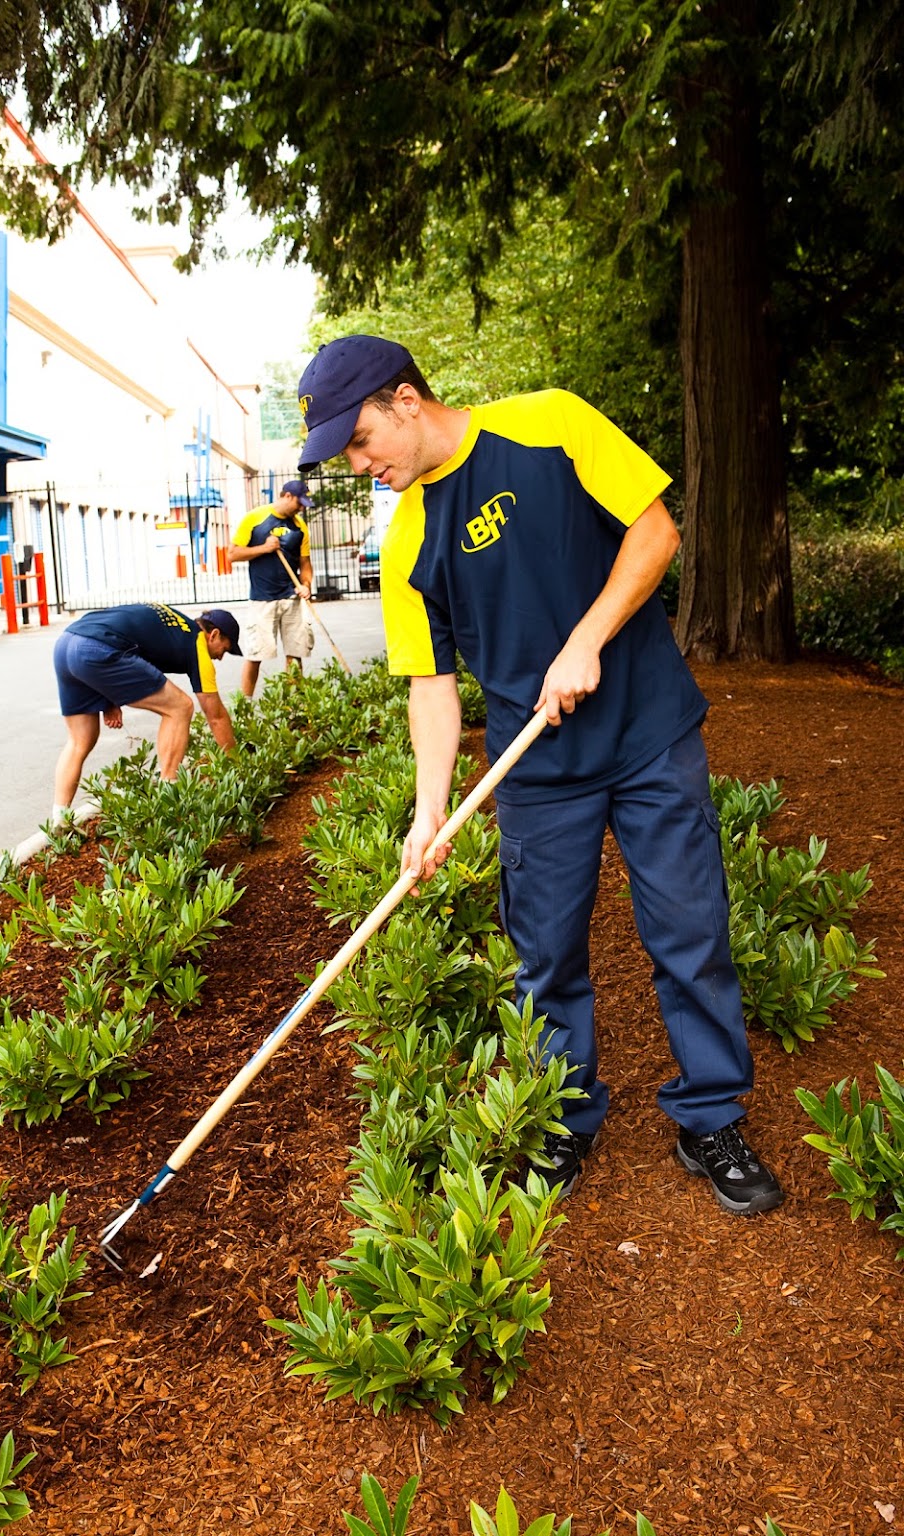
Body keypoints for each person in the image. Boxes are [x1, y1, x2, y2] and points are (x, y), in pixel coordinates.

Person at [295, 333, 784, 1218]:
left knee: (690, 931)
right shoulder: (406, 540)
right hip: (538, 769)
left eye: (360, 441)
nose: (357, 464)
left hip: (647, 733)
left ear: (407, 400)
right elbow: (431, 690)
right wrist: (428, 815)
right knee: (545, 960)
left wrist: (586, 639)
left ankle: (709, 1116)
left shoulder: (551, 425)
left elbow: (655, 531)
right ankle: (564, 1114)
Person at [51, 603, 241, 819]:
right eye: (224, 649)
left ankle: (59, 821)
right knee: (180, 707)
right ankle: (168, 798)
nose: (221, 657)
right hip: (97, 650)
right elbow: (216, 717)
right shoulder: (196, 643)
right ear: (213, 635)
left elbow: (130, 637)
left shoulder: (175, 626)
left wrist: (110, 700)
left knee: (80, 740)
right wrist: (235, 767)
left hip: (67, 643)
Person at [228, 478, 315, 697]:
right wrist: (264, 548)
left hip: (291, 598)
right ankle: (245, 704)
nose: (302, 508)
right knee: (256, 654)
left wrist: (306, 585)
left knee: (295, 653)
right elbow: (232, 554)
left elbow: (305, 564)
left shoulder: (299, 527)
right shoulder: (255, 518)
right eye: (299, 502)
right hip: (263, 599)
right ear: (287, 496)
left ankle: (294, 704)